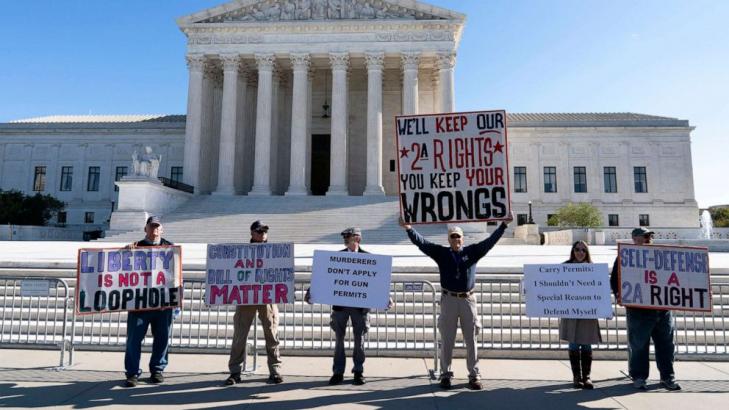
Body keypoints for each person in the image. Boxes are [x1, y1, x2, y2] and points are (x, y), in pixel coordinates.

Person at [399, 214, 513, 390]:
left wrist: (504, 225)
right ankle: (445, 374)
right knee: (447, 340)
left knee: (471, 340)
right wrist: (409, 228)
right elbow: (422, 243)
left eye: (458, 236)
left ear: (463, 238)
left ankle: (474, 375)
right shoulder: (442, 253)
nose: (456, 239)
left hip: (468, 300)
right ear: (448, 239)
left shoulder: (472, 252)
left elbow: (490, 241)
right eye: (452, 237)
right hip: (449, 300)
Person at [305, 227, 393, 386]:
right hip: (341, 306)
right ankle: (338, 372)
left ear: (358, 238)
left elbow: (376, 282)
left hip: (360, 308)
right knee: (339, 339)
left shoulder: (369, 259)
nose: (345, 238)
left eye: (349, 236)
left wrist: (386, 297)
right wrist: (311, 292)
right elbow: (324, 277)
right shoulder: (336, 258)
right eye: (345, 236)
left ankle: (358, 371)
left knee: (359, 340)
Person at [610, 227, 681, 391]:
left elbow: (680, 277)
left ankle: (667, 377)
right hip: (639, 311)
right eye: (645, 236)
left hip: (662, 310)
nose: (649, 238)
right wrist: (620, 294)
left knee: (666, 345)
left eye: (650, 236)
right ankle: (640, 377)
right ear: (635, 238)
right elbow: (615, 280)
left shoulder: (663, 256)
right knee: (639, 346)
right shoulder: (625, 257)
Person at [224, 220, 283, 385]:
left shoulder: (276, 252)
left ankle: (275, 370)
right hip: (246, 296)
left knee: (272, 334)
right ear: (252, 233)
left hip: (268, 296)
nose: (262, 234)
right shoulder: (241, 252)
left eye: (265, 231)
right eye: (259, 231)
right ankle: (235, 371)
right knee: (240, 335)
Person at [124, 216, 175, 387]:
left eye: (157, 227)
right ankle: (132, 373)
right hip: (140, 303)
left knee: (162, 338)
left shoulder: (171, 248)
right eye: (151, 227)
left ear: (162, 229)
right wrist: (124, 252)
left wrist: (176, 303)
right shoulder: (135, 247)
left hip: (163, 303)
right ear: (145, 229)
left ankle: (157, 369)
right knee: (133, 340)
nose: (154, 230)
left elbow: (176, 276)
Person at [559, 241, 601, 389]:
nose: (580, 252)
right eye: (577, 249)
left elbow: (600, 291)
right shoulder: (564, 267)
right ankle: (577, 377)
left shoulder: (593, 269)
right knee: (574, 343)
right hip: (571, 311)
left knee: (587, 344)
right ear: (573, 251)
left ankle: (587, 377)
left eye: (583, 250)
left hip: (588, 311)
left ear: (587, 252)